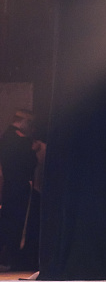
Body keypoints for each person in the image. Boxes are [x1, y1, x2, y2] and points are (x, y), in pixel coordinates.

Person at [0, 110, 45, 272]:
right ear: (24, 122)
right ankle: (15, 260)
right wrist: (33, 150)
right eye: (30, 123)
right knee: (19, 225)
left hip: (10, 186)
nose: (32, 128)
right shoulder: (20, 140)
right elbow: (29, 163)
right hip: (20, 188)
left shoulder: (6, 137)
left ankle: (8, 258)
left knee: (8, 222)